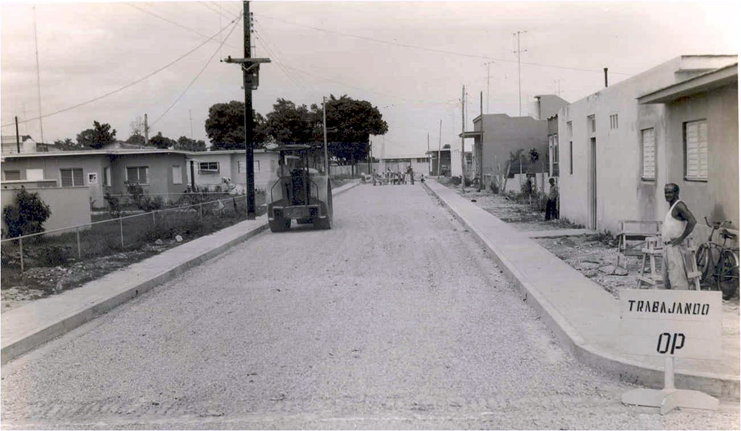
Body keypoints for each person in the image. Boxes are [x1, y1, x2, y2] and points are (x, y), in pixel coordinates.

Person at [662, 183, 696, 290]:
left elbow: (692, 221)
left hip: (674, 247)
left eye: (670, 192)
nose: (667, 195)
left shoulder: (679, 205)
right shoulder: (672, 206)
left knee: (677, 281)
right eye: (666, 192)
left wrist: (681, 238)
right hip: (667, 247)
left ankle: (680, 301)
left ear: (676, 193)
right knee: (667, 280)